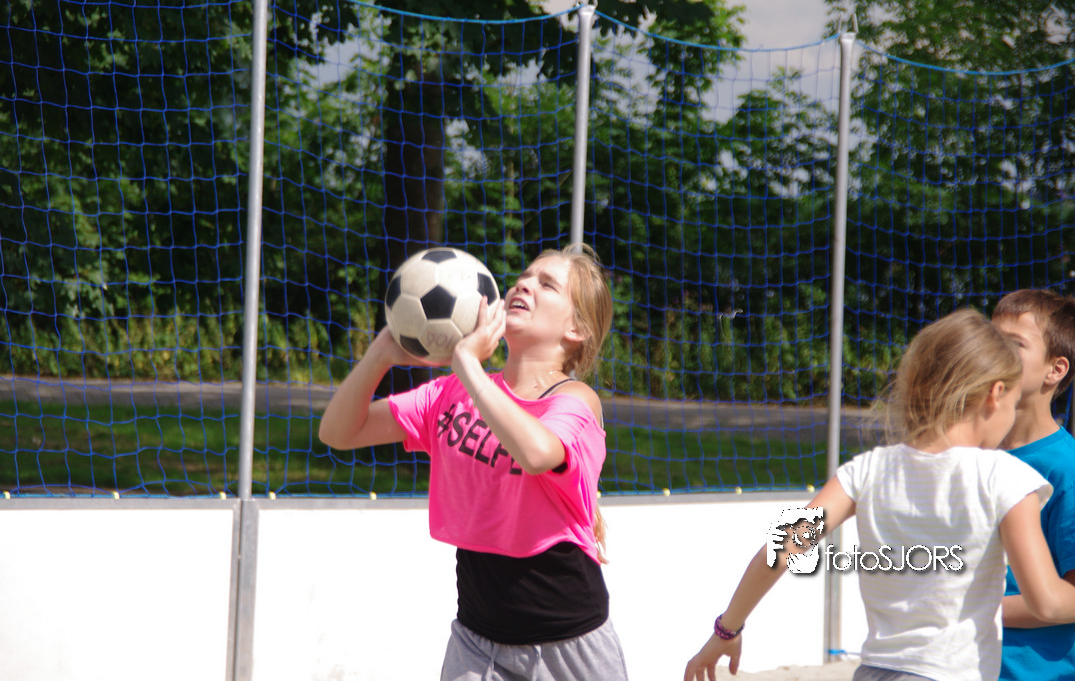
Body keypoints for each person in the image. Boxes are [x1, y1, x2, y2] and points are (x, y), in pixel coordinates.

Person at [683, 309, 1075, 681]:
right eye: (1012, 404)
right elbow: (1045, 601)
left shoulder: (866, 470)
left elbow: (780, 549)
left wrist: (727, 630)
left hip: (874, 671)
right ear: (995, 394)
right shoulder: (1005, 477)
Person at [319, 243, 629, 681]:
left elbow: (537, 453)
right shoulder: (451, 394)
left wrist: (467, 364)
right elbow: (338, 432)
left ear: (575, 328)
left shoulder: (574, 399)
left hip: (566, 646)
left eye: (547, 285)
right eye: (524, 277)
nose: (524, 285)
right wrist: (382, 353)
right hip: (476, 642)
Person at [993, 290, 1075, 681]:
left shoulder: (1064, 468)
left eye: (1014, 344)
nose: (994, 353)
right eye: (990, 340)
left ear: (1055, 370)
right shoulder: (950, 458)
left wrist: (974, 607)